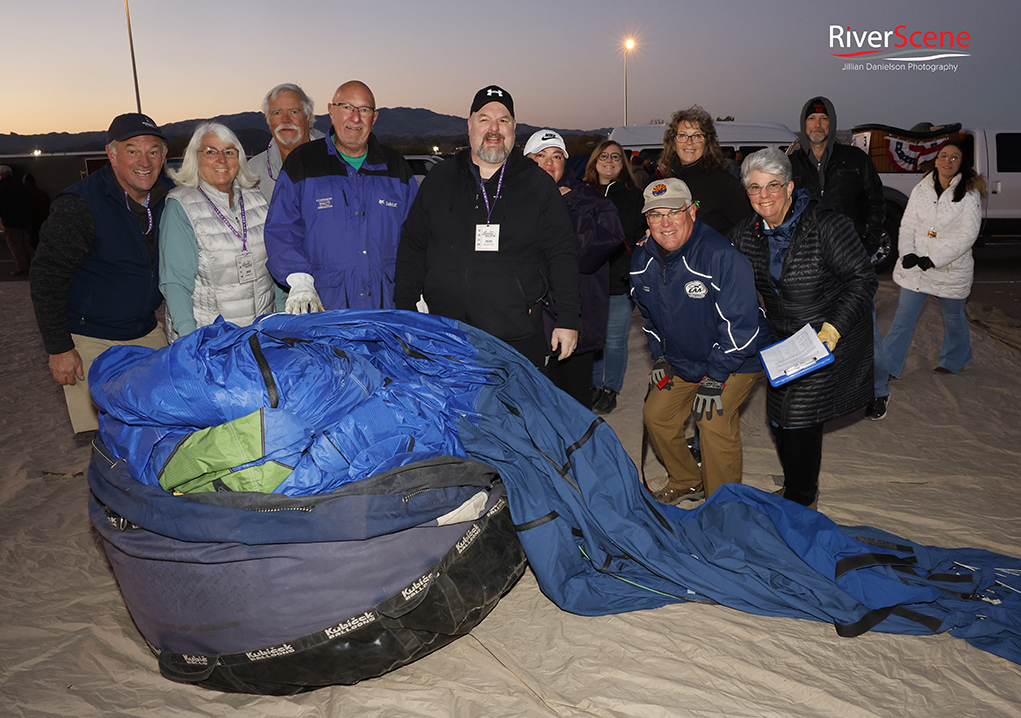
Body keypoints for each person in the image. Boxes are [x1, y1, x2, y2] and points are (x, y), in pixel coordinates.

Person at [730, 149, 877, 509]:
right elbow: (713, 259)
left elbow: (863, 279)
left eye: (772, 186)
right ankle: (798, 487)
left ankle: (801, 498)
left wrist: (832, 330)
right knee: (778, 419)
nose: (764, 196)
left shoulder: (826, 224)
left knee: (799, 417)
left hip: (826, 336)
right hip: (783, 342)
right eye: (754, 188)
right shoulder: (746, 234)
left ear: (790, 187)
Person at [393, 85, 580, 369]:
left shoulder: (538, 184)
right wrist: (406, 310)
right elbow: (413, 245)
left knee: (515, 412)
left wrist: (568, 319)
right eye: (484, 119)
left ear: (514, 128)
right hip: (446, 334)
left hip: (515, 336)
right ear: (470, 125)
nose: (494, 129)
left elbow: (562, 253)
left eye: (503, 120)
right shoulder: (440, 178)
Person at [29, 113, 170, 436]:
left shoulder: (166, 197)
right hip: (89, 340)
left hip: (146, 331)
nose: (144, 161)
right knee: (107, 438)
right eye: (132, 150)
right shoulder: (80, 204)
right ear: (111, 154)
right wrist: (58, 348)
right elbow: (47, 276)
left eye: (153, 151)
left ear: (164, 156)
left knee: (159, 429)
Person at [632, 178, 766, 503]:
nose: (665, 223)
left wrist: (716, 376)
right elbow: (648, 318)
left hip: (735, 358)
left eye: (674, 212)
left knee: (712, 417)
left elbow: (742, 328)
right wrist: (660, 356)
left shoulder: (720, 256)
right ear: (646, 220)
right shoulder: (642, 260)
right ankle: (688, 479)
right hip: (684, 359)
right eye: (655, 215)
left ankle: (724, 504)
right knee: (657, 415)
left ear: (691, 211)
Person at [265, 80, 417, 312]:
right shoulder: (302, 163)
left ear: (374, 118)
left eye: (364, 110)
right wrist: (300, 281)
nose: (355, 118)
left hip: (387, 311)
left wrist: (420, 286)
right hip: (325, 312)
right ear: (331, 111)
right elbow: (282, 229)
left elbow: (417, 235)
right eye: (346, 107)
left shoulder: (396, 167)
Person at [788, 96, 890, 420]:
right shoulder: (789, 163)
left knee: (865, 328)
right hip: (806, 261)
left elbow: (876, 201)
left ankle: (878, 391)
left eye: (823, 119)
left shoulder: (854, 159)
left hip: (849, 258)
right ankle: (812, 394)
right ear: (803, 124)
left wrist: (869, 242)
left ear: (831, 124)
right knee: (805, 330)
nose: (817, 125)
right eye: (811, 119)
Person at [524, 130, 623, 408]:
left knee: (574, 405)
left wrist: (566, 206)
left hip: (575, 324)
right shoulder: (512, 200)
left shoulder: (589, 200)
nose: (548, 162)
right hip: (528, 325)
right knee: (536, 405)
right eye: (539, 156)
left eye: (556, 156)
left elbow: (591, 253)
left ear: (566, 162)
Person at [159, 123, 284, 341]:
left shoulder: (257, 199)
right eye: (210, 152)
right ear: (194, 158)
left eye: (229, 152)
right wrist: (190, 342)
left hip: (261, 335)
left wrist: (283, 319)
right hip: (211, 339)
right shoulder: (181, 206)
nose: (221, 160)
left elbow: (274, 265)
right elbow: (176, 283)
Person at [883, 141, 985, 376]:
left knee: (953, 318)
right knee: (903, 318)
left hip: (949, 269)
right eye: (943, 156)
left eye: (954, 158)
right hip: (916, 266)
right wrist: (907, 252)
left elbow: (967, 236)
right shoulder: (922, 188)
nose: (947, 161)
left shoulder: (969, 194)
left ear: (962, 163)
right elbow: (907, 224)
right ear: (936, 160)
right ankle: (887, 367)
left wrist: (934, 259)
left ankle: (956, 358)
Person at [584, 139, 647, 414]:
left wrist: (628, 271)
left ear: (623, 164)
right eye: (604, 157)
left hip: (619, 279)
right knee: (592, 337)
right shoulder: (582, 192)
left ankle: (611, 388)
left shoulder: (634, 195)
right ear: (594, 161)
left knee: (614, 339)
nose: (609, 162)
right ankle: (594, 385)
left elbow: (636, 237)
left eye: (616, 158)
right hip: (588, 280)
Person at [654, 105, 750, 236]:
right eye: (683, 135)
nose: (689, 141)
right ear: (673, 144)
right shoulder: (667, 184)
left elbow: (747, 232)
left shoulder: (724, 184)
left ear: (707, 144)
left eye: (697, 136)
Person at [249, 83, 325, 200]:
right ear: (269, 122)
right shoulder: (252, 172)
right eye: (277, 113)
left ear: (309, 118)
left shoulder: (338, 160)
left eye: (294, 111)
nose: (285, 120)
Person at [0, 165, 34, 276]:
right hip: (24, 220)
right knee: (24, 243)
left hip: (10, 221)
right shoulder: (21, 186)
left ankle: (22, 267)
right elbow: (30, 202)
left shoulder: (2, 187)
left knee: (15, 245)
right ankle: (36, 264)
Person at [23, 173, 50, 250]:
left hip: (32, 220)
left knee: (32, 241)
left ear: (24, 182)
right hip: (43, 219)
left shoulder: (26, 193)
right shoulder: (42, 192)